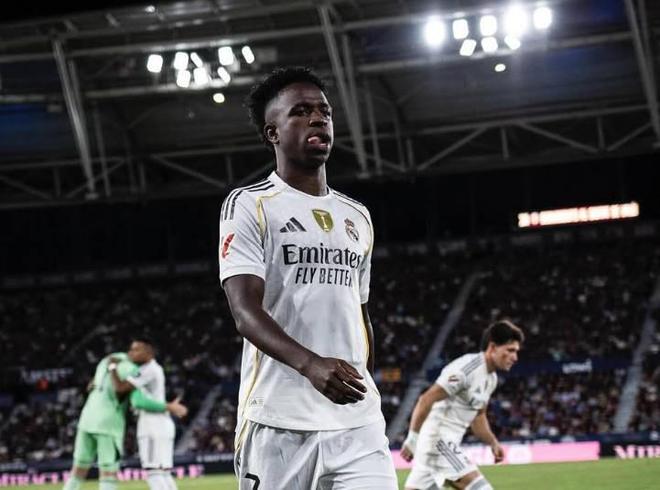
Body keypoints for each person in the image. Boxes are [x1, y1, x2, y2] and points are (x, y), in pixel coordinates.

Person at [219, 66, 397, 489]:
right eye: (300, 112)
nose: (318, 119)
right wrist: (311, 365)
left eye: (324, 112)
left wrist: (363, 383)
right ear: (273, 133)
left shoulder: (357, 216)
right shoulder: (250, 205)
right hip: (278, 422)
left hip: (357, 425)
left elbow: (360, 314)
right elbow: (245, 312)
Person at [401, 320, 524, 490]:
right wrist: (412, 439)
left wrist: (493, 442)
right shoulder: (466, 369)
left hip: (438, 447)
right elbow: (426, 399)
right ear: (492, 347)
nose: (515, 357)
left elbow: (478, 417)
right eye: (510, 350)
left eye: (516, 352)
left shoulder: (491, 379)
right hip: (439, 442)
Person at [62, 350, 187, 490]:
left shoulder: (104, 362)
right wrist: (169, 406)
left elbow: (92, 385)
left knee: (77, 470)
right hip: (108, 424)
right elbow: (138, 401)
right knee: (108, 472)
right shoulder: (131, 369)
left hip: (86, 419)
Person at [109, 338, 186, 490]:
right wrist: (169, 407)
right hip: (162, 425)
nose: (131, 353)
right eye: (131, 349)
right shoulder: (155, 368)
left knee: (153, 473)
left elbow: (123, 390)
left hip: (152, 425)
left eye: (136, 349)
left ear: (148, 352)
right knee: (163, 473)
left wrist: (112, 367)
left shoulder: (147, 370)